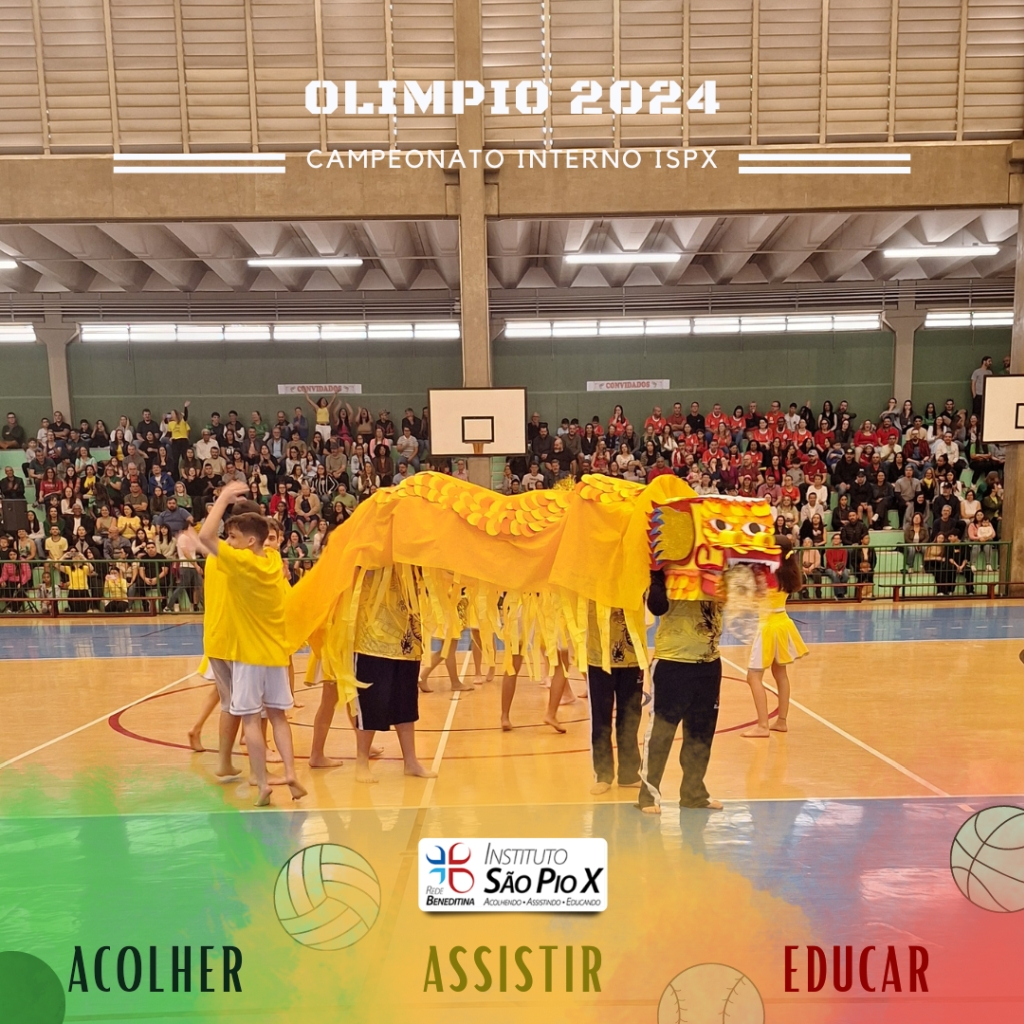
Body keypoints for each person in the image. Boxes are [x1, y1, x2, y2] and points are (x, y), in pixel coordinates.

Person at [184, 480, 306, 806]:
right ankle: (291, 772)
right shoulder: (273, 561)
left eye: (233, 537)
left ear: (248, 541)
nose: (229, 541)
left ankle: (260, 779)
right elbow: (267, 542)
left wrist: (222, 497)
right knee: (277, 717)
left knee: (248, 717)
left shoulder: (237, 562)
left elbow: (206, 538)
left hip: (244, 651)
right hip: (275, 655)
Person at [638, 570, 724, 813]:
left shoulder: (719, 564)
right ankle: (648, 795)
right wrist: (658, 575)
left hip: (709, 663)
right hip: (672, 663)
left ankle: (694, 793)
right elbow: (657, 607)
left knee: (701, 732)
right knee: (661, 732)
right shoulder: (669, 567)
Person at [351, 566, 437, 784]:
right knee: (371, 700)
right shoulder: (367, 547)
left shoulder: (411, 552)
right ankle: (362, 761)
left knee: (406, 701)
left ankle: (411, 761)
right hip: (372, 635)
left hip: (407, 636)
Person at [742, 537, 808, 737]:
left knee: (753, 676)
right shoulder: (789, 571)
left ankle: (762, 726)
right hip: (783, 622)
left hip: (768, 626)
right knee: (780, 674)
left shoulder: (767, 574)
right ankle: (781, 721)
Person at [586, 605, 642, 796]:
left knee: (630, 718)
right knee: (601, 719)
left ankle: (629, 774)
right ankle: (603, 774)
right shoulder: (592, 587)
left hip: (633, 656)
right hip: (599, 658)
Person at [824, 534, 850, 599]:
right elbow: (830, 563)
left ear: (840, 540)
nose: (836, 540)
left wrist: (841, 570)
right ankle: (839, 594)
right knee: (834, 575)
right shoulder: (829, 550)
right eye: (834, 538)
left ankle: (843, 593)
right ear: (832, 540)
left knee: (846, 574)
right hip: (830, 568)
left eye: (837, 538)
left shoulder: (844, 550)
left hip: (841, 568)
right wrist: (836, 571)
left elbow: (844, 562)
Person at [971, 355, 993, 423]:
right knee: (977, 413)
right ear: (984, 362)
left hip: (987, 395)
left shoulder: (990, 372)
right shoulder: (977, 372)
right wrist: (974, 395)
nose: (990, 363)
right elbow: (973, 383)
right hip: (978, 395)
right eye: (989, 361)